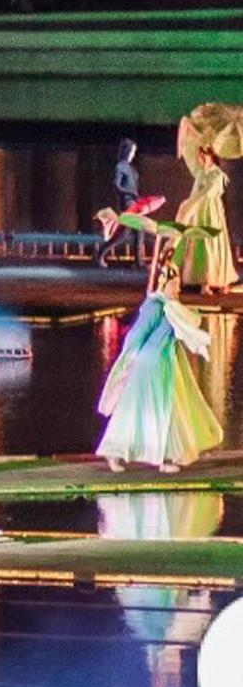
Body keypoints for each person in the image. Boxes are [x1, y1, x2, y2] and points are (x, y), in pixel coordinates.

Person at [96, 246, 223, 474]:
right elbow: (138, 334)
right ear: (164, 283)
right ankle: (127, 452)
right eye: (174, 285)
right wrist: (129, 358)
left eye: (178, 285)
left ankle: (167, 453)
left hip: (165, 361)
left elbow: (186, 331)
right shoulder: (155, 305)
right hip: (150, 364)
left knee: (165, 409)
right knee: (152, 410)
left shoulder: (172, 307)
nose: (178, 289)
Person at [177, 145, 238, 293]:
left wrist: (191, 204)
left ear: (211, 156)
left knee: (213, 245)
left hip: (211, 213)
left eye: (203, 155)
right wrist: (189, 207)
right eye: (200, 155)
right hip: (199, 213)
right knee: (200, 245)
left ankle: (219, 281)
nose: (201, 158)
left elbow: (208, 193)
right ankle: (203, 281)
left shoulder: (217, 174)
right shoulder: (201, 174)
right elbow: (195, 193)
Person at [97, 138, 145, 266]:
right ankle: (101, 254)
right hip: (127, 203)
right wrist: (130, 193)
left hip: (134, 203)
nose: (133, 154)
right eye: (132, 151)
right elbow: (116, 185)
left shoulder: (130, 168)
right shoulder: (121, 166)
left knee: (132, 232)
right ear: (126, 151)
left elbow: (133, 186)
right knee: (131, 232)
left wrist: (137, 197)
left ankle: (138, 261)